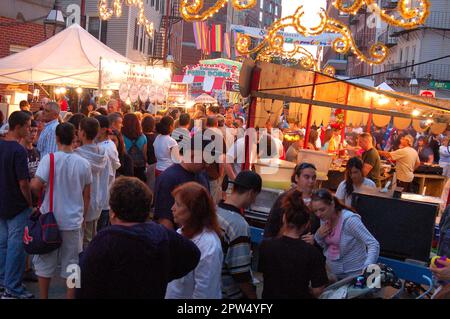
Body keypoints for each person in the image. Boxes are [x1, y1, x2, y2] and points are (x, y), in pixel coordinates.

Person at [77, 177, 201, 299]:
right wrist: (162, 275)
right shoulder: (161, 235)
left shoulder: (105, 241)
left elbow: (84, 285)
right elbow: (193, 254)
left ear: (113, 212)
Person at [31, 122, 92, 299]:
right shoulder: (83, 164)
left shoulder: (48, 159)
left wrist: (38, 192)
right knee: (73, 264)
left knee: (44, 263)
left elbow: (36, 185)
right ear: (74, 138)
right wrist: (83, 217)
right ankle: (70, 297)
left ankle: (43, 297)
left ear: (57, 138)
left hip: (49, 220)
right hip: (73, 220)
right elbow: (87, 195)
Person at [258, 190, 328, 299]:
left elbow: (264, 273)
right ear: (306, 224)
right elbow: (318, 290)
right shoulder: (312, 253)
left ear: (284, 218)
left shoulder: (266, 246)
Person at [165, 182, 223, 299]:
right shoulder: (181, 232)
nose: (172, 208)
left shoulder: (209, 245)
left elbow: (205, 292)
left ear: (194, 210)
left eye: (178, 204)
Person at [0, 111, 34, 299]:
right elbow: (23, 183)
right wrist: (29, 202)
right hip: (16, 205)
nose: (30, 129)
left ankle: (3, 281)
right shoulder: (18, 150)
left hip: (2, 201)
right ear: (18, 127)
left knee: (3, 244)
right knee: (15, 247)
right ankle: (12, 287)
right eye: (28, 125)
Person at [311, 189, 380, 280]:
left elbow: (373, 244)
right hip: (333, 274)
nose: (318, 214)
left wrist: (367, 267)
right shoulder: (324, 219)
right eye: (315, 211)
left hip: (354, 274)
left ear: (332, 204)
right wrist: (318, 236)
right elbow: (325, 246)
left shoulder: (350, 220)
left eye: (322, 209)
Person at [217, 170, 261, 299]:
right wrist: (252, 296)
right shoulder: (238, 225)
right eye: (255, 196)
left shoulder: (214, 210)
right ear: (251, 193)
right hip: (228, 293)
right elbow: (240, 273)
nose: (253, 201)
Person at [153, 136, 210, 230]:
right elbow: (165, 220)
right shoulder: (168, 178)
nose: (207, 165)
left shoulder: (202, 174)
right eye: (204, 161)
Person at [74, 117, 109, 246]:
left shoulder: (77, 155)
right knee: (92, 238)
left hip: (81, 202)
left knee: (82, 242)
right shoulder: (103, 153)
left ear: (82, 133)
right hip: (98, 200)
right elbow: (107, 177)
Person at [264, 163, 319, 239]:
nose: (311, 181)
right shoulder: (285, 198)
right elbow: (271, 226)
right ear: (297, 178)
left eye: (314, 178)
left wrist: (315, 239)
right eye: (306, 177)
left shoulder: (318, 201)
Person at [95, 115, 121, 231]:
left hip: (102, 198)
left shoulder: (106, 148)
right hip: (102, 197)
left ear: (103, 129)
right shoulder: (107, 145)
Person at [122, 113, 148, 182]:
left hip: (126, 167)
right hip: (140, 167)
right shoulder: (143, 137)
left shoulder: (121, 136)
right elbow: (144, 155)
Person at [142, 115, 157, 190]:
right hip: (153, 163)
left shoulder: (140, 136)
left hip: (142, 163)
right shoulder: (156, 137)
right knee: (150, 185)